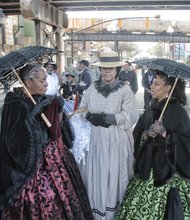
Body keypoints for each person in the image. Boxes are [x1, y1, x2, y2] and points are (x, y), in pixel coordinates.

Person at [0, 64, 94, 220]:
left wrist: (58, 113)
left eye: (46, 80)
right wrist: (31, 117)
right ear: (28, 82)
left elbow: (58, 132)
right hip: (31, 167)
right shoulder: (14, 104)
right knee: (44, 198)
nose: (46, 84)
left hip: (55, 158)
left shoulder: (44, 99)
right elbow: (13, 142)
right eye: (42, 80)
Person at [117, 70, 190, 220]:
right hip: (146, 166)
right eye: (152, 82)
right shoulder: (152, 107)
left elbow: (186, 144)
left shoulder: (179, 112)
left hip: (167, 174)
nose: (151, 86)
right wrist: (145, 134)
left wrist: (165, 133)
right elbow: (138, 132)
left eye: (156, 83)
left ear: (169, 88)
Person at [78, 52, 139, 220]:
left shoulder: (125, 90)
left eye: (110, 69)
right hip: (96, 138)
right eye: (104, 69)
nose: (107, 72)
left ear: (117, 70)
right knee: (98, 172)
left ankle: (113, 212)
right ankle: (98, 210)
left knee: (114, 172)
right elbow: (81, 108)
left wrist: (108, 118)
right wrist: (89, 116)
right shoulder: (91, 88)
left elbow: (131, 115)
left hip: (116, 138)